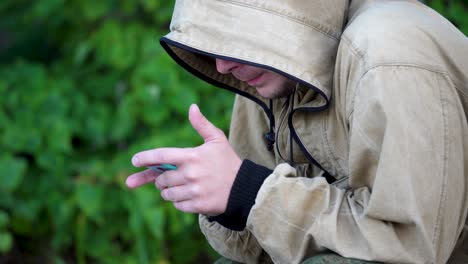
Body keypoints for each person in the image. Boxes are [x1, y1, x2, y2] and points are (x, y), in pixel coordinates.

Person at [125, 0, 468, 263]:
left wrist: (252, 192)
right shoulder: (270, 73)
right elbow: (262, 248)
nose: (222, 65)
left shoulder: (387, 57)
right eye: (214, 43)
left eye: (231, 38)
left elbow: (412, 248)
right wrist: (228, 201)